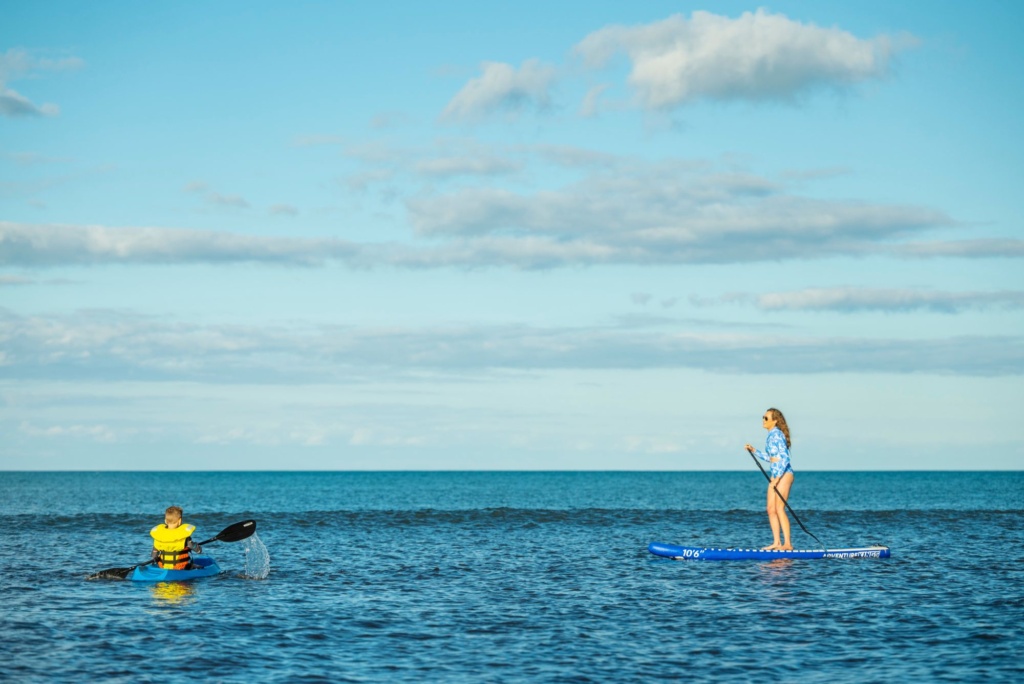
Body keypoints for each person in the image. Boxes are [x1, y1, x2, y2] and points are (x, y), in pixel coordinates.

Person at [745, 408, 794, 551]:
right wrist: (754, 451)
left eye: (766, 418)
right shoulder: (770, 436)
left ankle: (787, 544)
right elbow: (771, 458)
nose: (763, 420)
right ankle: (777, 543)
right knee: (770, 509)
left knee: (779, 508)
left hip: (784, 474)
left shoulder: (777, 435)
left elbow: (784, 458)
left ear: (775, 420)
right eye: (763, 417)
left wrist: (777, 479)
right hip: (776, 475)